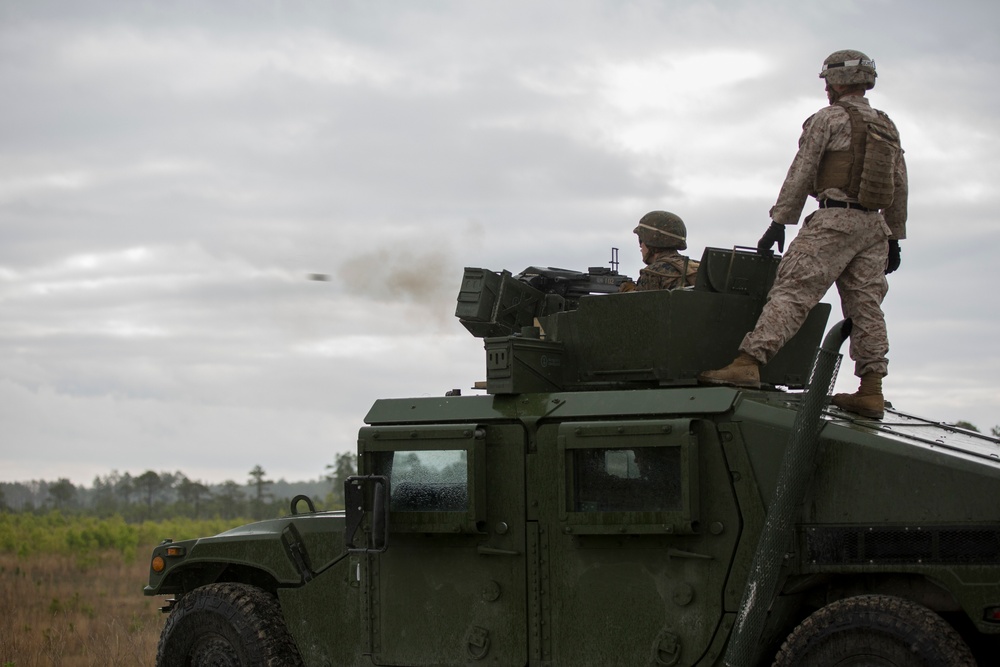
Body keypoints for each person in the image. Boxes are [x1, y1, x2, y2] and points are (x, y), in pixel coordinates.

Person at [698, 50, 908, 420]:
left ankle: (749, 362)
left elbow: (802, 170)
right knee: (867, 308)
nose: (826, 87)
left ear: (839, 82)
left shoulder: (827, 119)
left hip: (834, 221)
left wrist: (780, 220)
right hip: (873, 227)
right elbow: (900, 184)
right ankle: (871, 389)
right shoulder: (887, 126)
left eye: (828, 80)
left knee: (793, 292)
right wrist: (893, 236)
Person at [619, 210, 700, 292]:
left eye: (641, 240)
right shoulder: (696, 267)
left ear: (651, 241)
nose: (640, 245)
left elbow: (640, 304)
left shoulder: (652, 273)